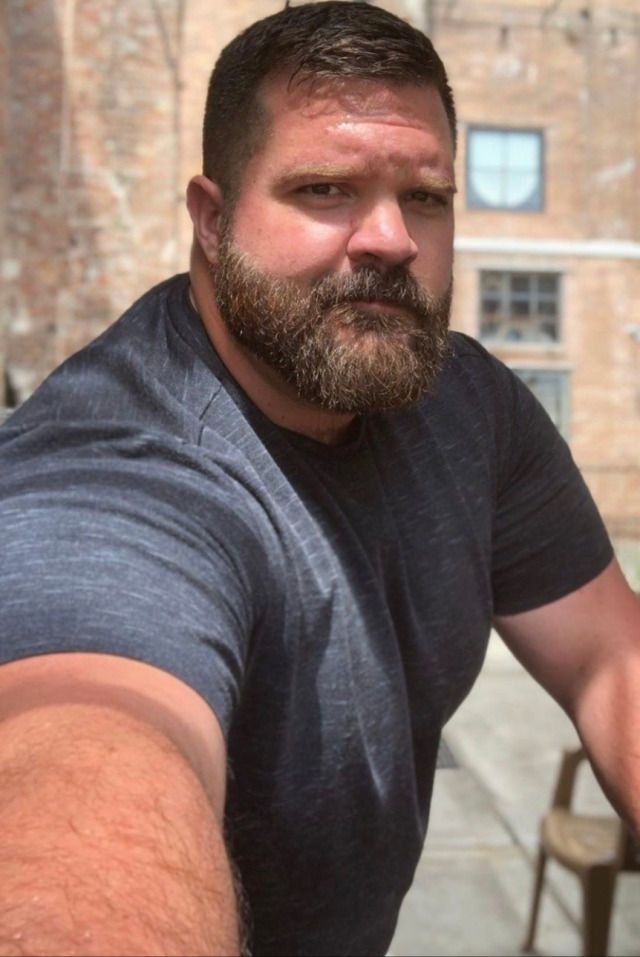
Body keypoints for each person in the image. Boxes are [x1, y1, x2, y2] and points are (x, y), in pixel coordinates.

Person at [0, 2, 638, 954]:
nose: (390, 238)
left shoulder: (473, 407)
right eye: (326, 189)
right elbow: (84, 752)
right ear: (213, 221)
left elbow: (609, 662)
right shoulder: (117, 469)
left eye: (425, 198)